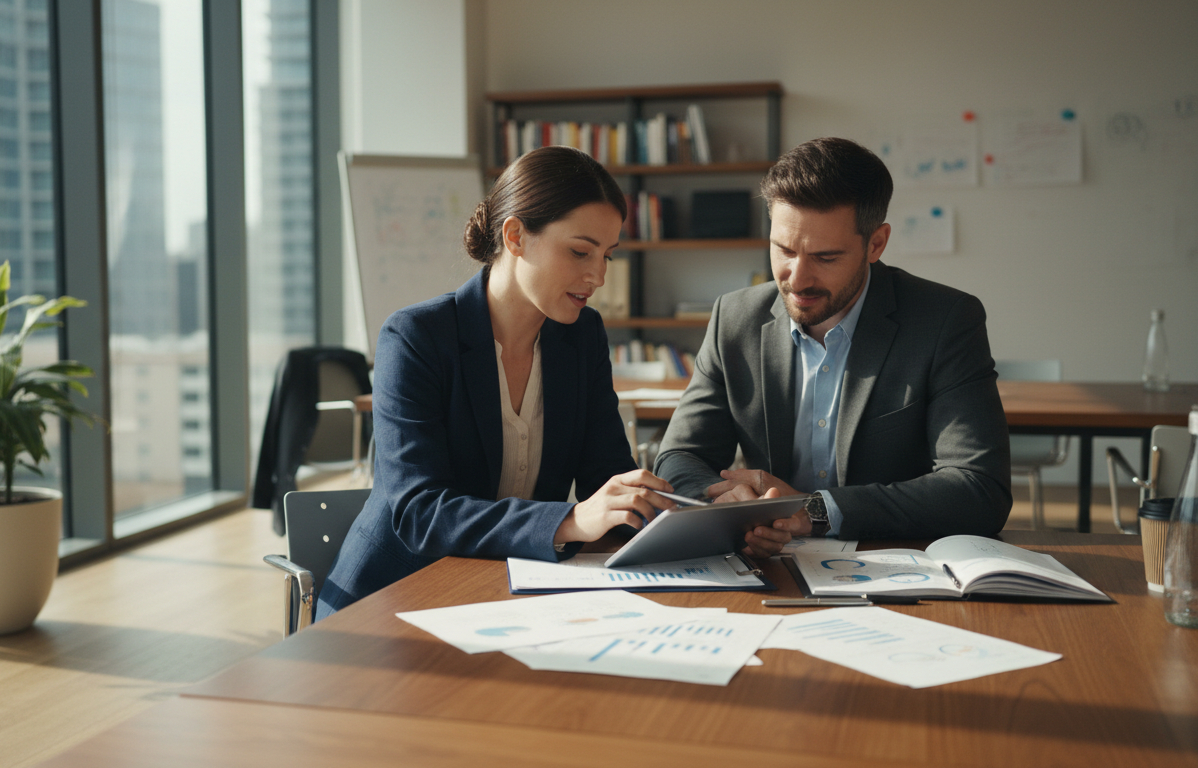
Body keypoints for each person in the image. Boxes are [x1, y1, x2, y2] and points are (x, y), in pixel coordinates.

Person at [317, 146, 676, 619]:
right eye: (579, 251)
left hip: (508, 594)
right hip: (393, 601)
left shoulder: (582, 337)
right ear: (515, 237)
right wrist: (570, 519)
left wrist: (685, 520)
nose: (598, 276)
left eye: (607, 255)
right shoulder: (416, 338)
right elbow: (420, 512)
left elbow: (605, 476)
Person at [653, 137, 1011, 557]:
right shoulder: (735, 319)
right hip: (768, 561)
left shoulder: (945, 320)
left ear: (876, 244)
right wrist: (727, 504)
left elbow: (979, 487)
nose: (797, 278)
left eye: (825, 258)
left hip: (893, 564)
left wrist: (813, 511)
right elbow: (679, 456)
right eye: (784, 250)